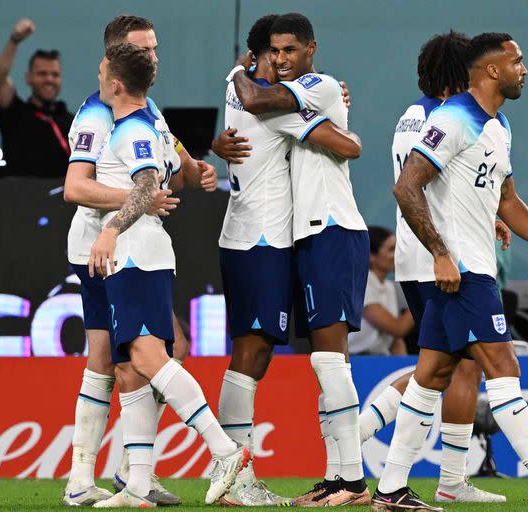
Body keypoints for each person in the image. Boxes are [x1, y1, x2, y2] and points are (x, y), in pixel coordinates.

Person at [380, 33, 528, 512]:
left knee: (431, 374)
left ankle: (390, 489)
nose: (525, 69)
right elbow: (406, 186)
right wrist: (440, 253)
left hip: (472, 268)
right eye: (517, 61)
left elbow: (507, 200)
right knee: (503, 365)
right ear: (492, 70)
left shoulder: (498, 124)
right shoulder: (451, 118)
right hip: (463, 270)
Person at [61, 15, 217, 507]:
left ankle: (132, 478)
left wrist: (196, 167)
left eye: (155, 47)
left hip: (133, 243)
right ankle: (86, 478)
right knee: (114, 359)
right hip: (101, 246)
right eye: (143, 49)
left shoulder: (147, 108)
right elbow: (76, 187)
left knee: (140, 357)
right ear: (116, 58)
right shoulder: (96, 114)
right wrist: (138, 197)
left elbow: (177, 165)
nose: (154, 56)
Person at [84, 44, 247, 508]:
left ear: (116, 83)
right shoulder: (153, 124)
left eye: (101, 71)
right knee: (128, 367)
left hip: (135, 253)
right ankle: (137, 486)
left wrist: (111, 230)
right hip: (143, 254)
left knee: (148, 356)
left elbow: (146, 184)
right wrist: (197, 170)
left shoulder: (132, 127)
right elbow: (174, 175)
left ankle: (226, 451)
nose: (97, 77)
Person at [213, 14, 362, 506]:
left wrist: (239, 74)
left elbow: (349, 145)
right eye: (272, 52)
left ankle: (345, 480)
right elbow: (346, 144)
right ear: (259, 54)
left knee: (315, 355)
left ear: (310, 50)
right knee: (256, 354)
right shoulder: (258, 94)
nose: (280, 60)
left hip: (294, 236)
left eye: (289, 51)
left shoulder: (291, 90)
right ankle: (236, 478)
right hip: (262, 238)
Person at [357, 32, 507, 508]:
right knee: (453, 369)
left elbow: (446, 184)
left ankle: (363, 442)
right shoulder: (446, 118)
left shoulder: (410, 116)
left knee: (443, 365)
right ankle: (447, 476)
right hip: (440, 257)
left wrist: (490, 212)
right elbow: (421, 185)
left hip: (416, 254)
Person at [0, 18, 74, 176]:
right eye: (42, 74)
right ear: (28, 78)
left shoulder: (72, 121)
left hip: (62, 198)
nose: (49, 79)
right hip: (20, 196)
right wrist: (14, 41)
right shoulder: (14, 113)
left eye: (55, 74)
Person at [349, 226, 412, 355]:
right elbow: (397, 328)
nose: (397, 254)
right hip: (358, 360)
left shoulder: (389, 286)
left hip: (380, 358)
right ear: (371, 256)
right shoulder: (362, 283)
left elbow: (395, 339)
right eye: (391, 249)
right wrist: (428, 298)